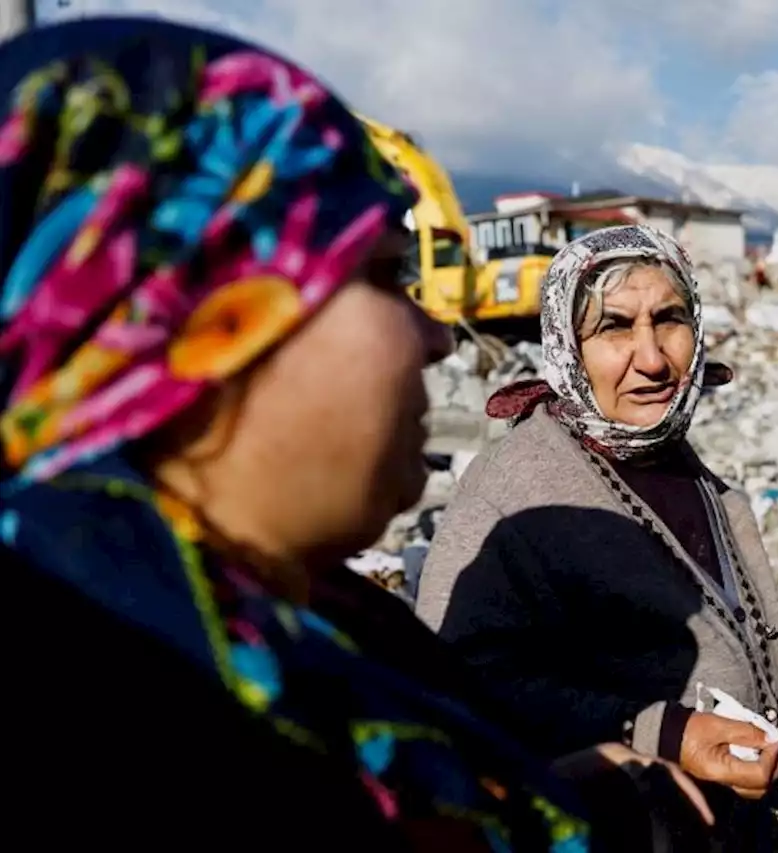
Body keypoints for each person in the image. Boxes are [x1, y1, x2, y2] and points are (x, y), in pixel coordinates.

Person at [1, 18, 711, 851]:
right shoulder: (143, 708)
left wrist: (549, 798)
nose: (439, 336)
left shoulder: (320, 628)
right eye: (381, 273)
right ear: (200, 321)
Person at [418, 225, 778, 851]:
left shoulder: (676, 458)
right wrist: (661, 734)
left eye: (670, 320)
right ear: (566, 345)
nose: (652, 359)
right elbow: (465, 681)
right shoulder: (516, 487)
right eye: (614, 328)